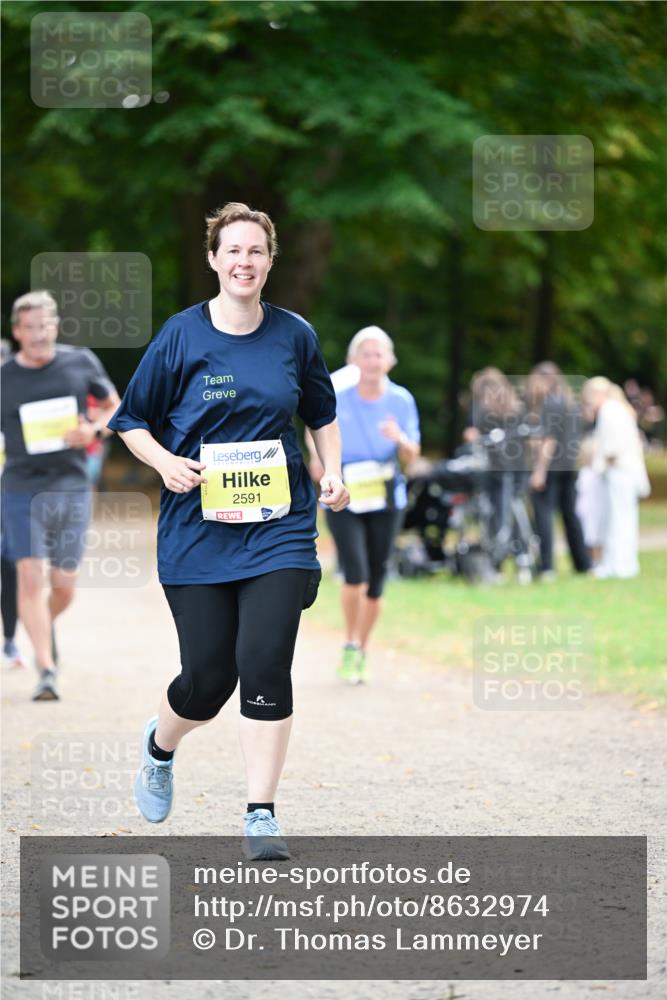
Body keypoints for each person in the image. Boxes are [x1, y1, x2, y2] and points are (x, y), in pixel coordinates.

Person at [108, 202, 349, 858]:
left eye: (256, 251)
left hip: (279, 526)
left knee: (264, 659)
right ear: (214, 259)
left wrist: (332, 471)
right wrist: (166, 464)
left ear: (270, 261)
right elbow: (131, 420)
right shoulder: (181, 336)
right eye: (232, 251)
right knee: (208, 678)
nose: (244, 262)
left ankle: (261, 811)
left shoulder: (294, 335)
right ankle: (160, 747)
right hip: (197, 529)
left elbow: (320, 412)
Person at [0, 291, 119, 700]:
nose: (37, 335)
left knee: (64, 584)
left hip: (70, 483)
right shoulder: (5, 377)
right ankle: (46, 669)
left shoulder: (79, 361)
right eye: (29, 328)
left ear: (55, 326)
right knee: (29, 574)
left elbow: (113, 407)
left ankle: (41, 626)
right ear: (17, 332)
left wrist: (94, 431)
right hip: (19, 486)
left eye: (44, 326)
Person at [309, 326, 420, 684]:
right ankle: (348, 643)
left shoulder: (401, 399)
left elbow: (412, 454)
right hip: (346, 492)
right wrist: (322, 463)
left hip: (387, 495)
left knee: (376, 578)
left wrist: (399, 439)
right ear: (353, 360)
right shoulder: (338, 394)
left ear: (390, 360)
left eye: (379, 354)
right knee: (354, 573)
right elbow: (316, 428)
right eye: (365, 354)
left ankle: (361, 646)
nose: (372, 361)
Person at [526, 362, 590, 578]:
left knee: (543, 515)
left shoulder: (550, 403)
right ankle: (583, 563)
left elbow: (549, 440)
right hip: (569, 467)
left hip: (552, 468)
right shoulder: (570, 402)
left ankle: (546, 566)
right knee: (570, 515)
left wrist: (539, 470)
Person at [581, 377, 650, 578]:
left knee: (617, 520)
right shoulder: (619, 409)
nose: (589, 406)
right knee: (622, 519)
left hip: (619, 472)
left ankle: (620, 566)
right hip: (624, 472)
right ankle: (620, 564)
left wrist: (599, 465)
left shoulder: (609, 410)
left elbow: (611, 446)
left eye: (589, 400)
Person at [463, 367, 527, 570]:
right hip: (508, 468)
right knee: (505, 509)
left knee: (501, 511)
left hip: (501, 469)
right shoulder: (513, 406)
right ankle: (513, 554)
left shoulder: (490, 409)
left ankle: (503, 555)